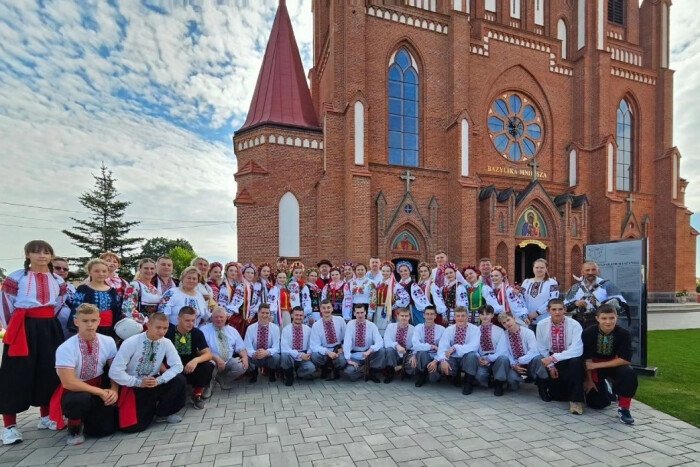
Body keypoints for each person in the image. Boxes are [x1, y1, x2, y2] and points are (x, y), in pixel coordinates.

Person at [0, 240, 67, 445]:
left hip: (49, 326)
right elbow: (6, 305)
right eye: (36, 252)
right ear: (28, 255)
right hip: (22, 327)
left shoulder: (57, 280)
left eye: (46, 252)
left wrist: (48, 322)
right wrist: (13, 328)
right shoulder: (16, 277)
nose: (42, 256)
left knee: (48, 370)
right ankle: (9, 426)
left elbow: (59, 304)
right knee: (15, 373)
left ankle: (46, 416)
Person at [51, 303, 119, 445]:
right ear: (76, 322)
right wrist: (100, 392)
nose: (90, 325)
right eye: (85, 321)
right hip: (74, 390)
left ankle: (88, 420)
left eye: (93, 320)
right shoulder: (66, 348)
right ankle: (74, 428)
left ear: (99, 321)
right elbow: (68, 382)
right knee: (79, 399)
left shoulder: (108, 341)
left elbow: (115, 370)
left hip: (99, 385)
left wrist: (114, 389)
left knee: (103, 431)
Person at [108, 313, 186, 433]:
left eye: (165, 328)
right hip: (133, 386)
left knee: (179, 380)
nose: (162, 332)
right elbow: (114, 372)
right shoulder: (131, 342)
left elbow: (178, 366)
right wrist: (138, 382)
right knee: (133, 428)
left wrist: (159, 380)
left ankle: (163, 413)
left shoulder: (166, 342)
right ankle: (149, 411)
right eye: (158, 327)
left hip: (153, 382)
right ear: (148, 325)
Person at [582, 304, 638, 425]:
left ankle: (624, 409)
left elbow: (625, 360)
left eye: (612, 318)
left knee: (629, 372)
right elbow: (587, 360)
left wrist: (597, 365)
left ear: (616, 318)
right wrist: (589, 381)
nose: (608, 322)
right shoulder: (588, 333)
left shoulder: (623, 334)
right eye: (604, 318)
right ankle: (608, 389)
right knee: (598, 404)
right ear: (597, 318)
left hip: (614, 366)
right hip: (595, 369)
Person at [535, 299, 585, 414]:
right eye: (554, 309)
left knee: (576, 363)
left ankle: (576, 401)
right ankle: (545, 387)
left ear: (565, 310)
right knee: (558, 397)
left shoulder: (574, 325)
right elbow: (541, 347)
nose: (557, 312)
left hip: (570, 357)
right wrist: (551, 366)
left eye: (560, 309)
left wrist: (553, 358)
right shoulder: (541, 325)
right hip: (552, 359)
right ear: (548, 310)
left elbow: (577, 349)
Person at [165, 307, 213, 410]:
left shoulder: (197, 333)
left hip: (190, 367)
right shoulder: (168, 333)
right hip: (173, 369)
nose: (190, 323)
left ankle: (197, 395)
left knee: (208, 365)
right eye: (187, 320)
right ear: (178, 319)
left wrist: (195, 360)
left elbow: (208, 354)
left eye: (193, 320)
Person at [564, 261, 627, 328]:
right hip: (579, 323)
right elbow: (564, 307)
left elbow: (621, 305)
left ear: (598, 271)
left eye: (593, 270)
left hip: (601, 323)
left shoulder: (608, 285)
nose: (590, 272)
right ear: (582, 272)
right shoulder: (575, 287)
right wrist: (575, 303)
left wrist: (597, 304)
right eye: (587, 270)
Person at [201, 307, 249, 396]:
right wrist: (216, 359)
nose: (219, 319)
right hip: (211, 361)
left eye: (221, 317)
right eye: (216, 317)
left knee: (242, 366)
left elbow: (241, 348)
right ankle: (208, 386)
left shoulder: (232, 330)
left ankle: (222, 379)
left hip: (227, 361)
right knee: (209, 365)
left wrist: (245, 358)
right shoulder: (203, 330)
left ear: (226, 317)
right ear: (211, 318)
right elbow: (200, 351)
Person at [69, 259, 121, 337]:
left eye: (104, 271)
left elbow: (117, 311)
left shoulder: (112, 291)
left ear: (107, 272)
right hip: (88, 327)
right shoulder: (83, 289)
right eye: (96, 271)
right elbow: (76, 309)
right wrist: (76, 327)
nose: (101, 274)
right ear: (90, 272)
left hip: (109, 329)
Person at [437, 306, 480, 395]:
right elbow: (442, 347)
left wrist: (455, 347)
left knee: (472, 355)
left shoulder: (475, 329)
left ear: (467, 317)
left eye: (463, 316)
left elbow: (474, 346)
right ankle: (455, 376)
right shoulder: (449, 329)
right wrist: (443, 360)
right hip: (453, 358)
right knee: (443, 366)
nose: (460, 318)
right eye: (458, 316)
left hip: (466, 358)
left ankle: (468, 383)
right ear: (454, 317)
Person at [499, 313, 543, 393]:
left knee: (538, 358)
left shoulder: (528, 332)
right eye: (504, 323)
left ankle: (539, 383)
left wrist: (520, 361)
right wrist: (514, 365)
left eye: (508, 320)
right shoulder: (504, 335)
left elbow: (533, 350)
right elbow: (505, 352)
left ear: (514, 318)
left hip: (529, 361)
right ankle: (522, 379)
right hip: (515, 364)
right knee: (512, 382)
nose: (507, 324)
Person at [343, 303, 385, 383]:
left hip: (368, 355)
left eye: (362, 312)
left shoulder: (372, 325)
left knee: (381, 351)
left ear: (365, 312)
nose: (360, 315)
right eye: (357, 313)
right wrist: (348, 359)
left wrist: (370, 350)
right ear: (354, 313)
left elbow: (380, 341)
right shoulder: (350, 324)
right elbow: (347, 342)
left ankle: (372, 372)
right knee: (349, 372)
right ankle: (364, 370)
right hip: (355, 355)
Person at [475, 305, 510, 396]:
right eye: (482, 314)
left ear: (492, 315)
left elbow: (502, 349)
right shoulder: (475, 330)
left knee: (503, 359)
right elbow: (473, 347)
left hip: (496, 357)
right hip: (483, 359)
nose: (485, 316)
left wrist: (490, 359)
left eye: (487, 314)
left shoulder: (499, 330)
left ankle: (499, 384)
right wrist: (479, 358)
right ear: (479, 316)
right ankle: (490, 382)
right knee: (480, 377)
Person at [309, 300, 347, 380]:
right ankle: (325, 368)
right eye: (324, 308)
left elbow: (346, 337)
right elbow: (314, 345)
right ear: (320, 310)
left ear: (332, 308)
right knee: (314, 355)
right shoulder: (316, 325)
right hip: (324, 350)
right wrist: (327, 352)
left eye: (328, 307)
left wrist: (343, 348)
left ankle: (336, 369)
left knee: (342, 361)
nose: (326, 310)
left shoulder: (340, 320)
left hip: (338, 349)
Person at [244, 304, 281, 383]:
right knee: (246, 356)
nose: (265, 315)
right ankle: (254, 373)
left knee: (277, 357)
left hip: (268, 357)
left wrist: (266, 352)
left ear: (270, 314)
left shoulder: (275, 328)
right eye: (262, 313)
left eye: (267, 313)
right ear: (258, 313)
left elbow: (276, 347)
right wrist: (254, 353)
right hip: (255, 356)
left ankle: (271, 373)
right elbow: (247, 345)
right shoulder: (250, 328)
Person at [410, 305, 445, 387]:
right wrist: (431, 347)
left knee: (433, 379)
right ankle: (422, 375)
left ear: (435, 316)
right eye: (427, 314)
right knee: (422, 353)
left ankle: (434, 373)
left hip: (436, 356)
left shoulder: (442, 329)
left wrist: (435, 361)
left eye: (432, 314)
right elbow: (416, 345)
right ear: (424, 315)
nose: (429, 316)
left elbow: (443, 348)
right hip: (423, 355)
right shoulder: (418, 328)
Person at [280, 307, 316, 386]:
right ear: (292, 315)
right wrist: (299, 355)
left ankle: (298, 374)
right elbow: (285, 348)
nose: (298, 317)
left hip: (304, 355)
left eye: (301, 315)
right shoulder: (286, 329)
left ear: (303, 316)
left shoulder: (308, 329)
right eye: (296, 315)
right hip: (291, 355)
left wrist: (308, 354)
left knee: (311, 368)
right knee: (284, 356)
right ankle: (289, 377)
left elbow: (311, 344)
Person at [521, 259, 560, 329]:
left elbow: (553, 300)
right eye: (536, 267)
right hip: (527, 320)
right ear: (533, 268)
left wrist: (538, 312)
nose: (539, 270)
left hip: (544, 320)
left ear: (546, 269)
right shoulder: (526, 282)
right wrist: (524, 314)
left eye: (542, 267)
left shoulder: (552, 283)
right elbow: (521, 299)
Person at [372, 262, 410, 334]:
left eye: (387, 271)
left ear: (391, 272)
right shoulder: (379, 283)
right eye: (383, 271)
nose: (385, 273)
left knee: (386, 330)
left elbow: (406, 298)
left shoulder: (394, 284)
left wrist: (392, 306)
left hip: (387, 311)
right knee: (377, 330)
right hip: (377, 310)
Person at [122, 258, 162, 324]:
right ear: (140, 269)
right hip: (139, 324)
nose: (149, 271)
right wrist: (146, 321)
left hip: (154, 325)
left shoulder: (155, 289)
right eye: (146, 268)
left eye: (152, 268)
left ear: (155, 270)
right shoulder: (134, 285)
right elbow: (127, 309)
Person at [382, 308, 414, 383]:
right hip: (394, 353)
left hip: (407, 354)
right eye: (402, 316)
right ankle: (390, 372)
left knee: (415, 358)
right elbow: (386, 340)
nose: (404, 318)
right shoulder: (390, 326)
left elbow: (415, 344)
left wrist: (413, 354)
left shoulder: (413, 329)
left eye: (406, 316)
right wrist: (396, 345)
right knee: (389, 349)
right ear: (397, 316)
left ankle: (403, 369)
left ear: (409, 317)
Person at [218, 262, 247, 334]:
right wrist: (225, 314)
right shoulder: (224, 285)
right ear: (226, 271)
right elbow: (222, 303)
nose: (233, 273)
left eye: (235, 271)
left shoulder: (235, 284)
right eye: (231, 270)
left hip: (234, 315)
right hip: (227, 315)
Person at [53, 256, 76, 339]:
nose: (62, 270)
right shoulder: (47, 285)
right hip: (54, 325)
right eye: (58, 268)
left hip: (71, 326)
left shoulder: (71, 287)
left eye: (65, 269)